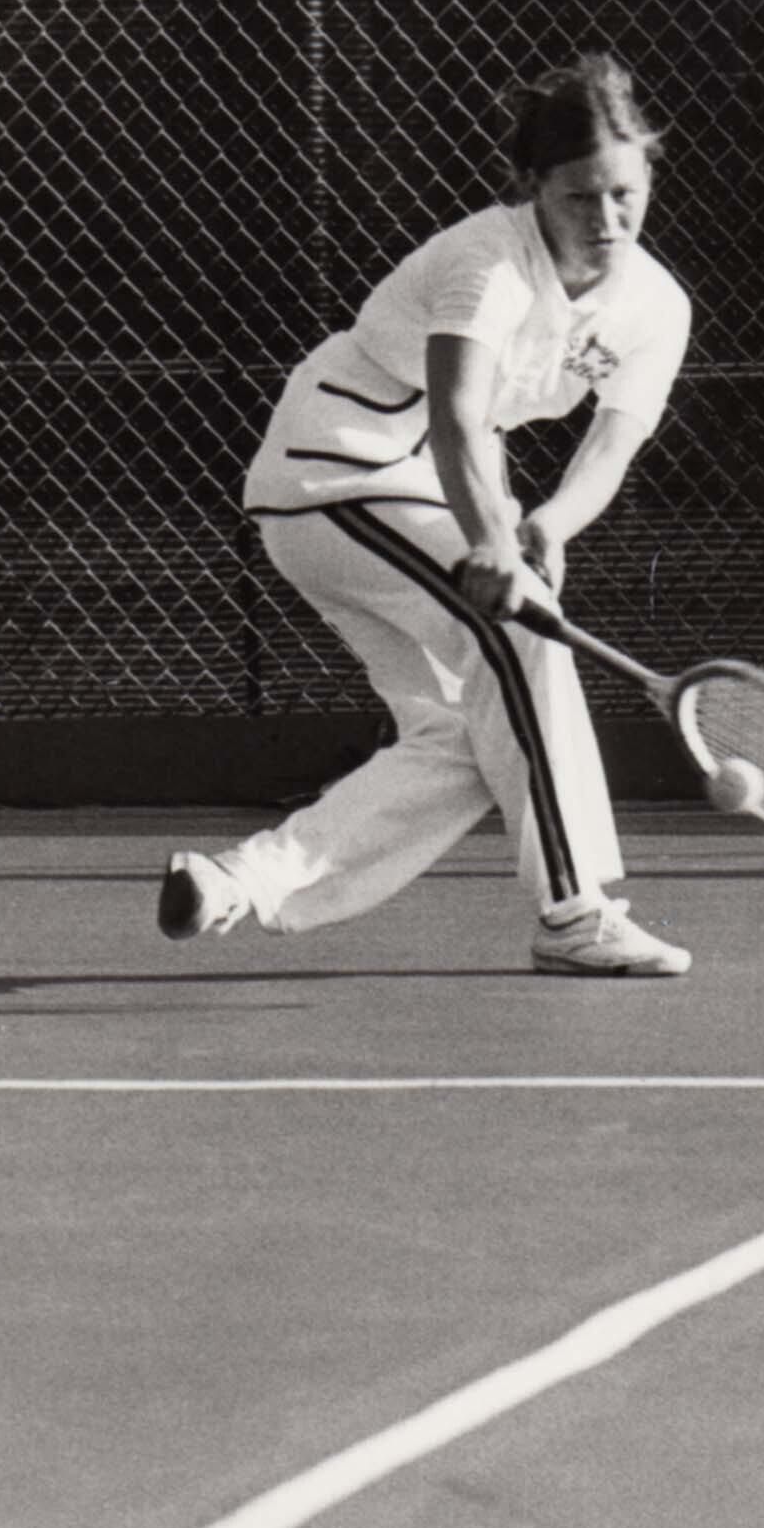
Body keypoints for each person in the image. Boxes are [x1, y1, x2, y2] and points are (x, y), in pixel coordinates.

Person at [158, 53, 694, 975]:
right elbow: (454, 414)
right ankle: (575, 913)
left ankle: (241, 880)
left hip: (415, 490)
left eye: (624, 195)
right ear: (532, 189)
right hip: (338, 471)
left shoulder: (655, 305)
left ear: (647, 178)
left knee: (466, 737)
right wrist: (492, 541)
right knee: (526, 640)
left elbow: (610, 447)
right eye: (579, 198)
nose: (607, 220)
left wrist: (547, 527)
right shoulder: (486, 261)